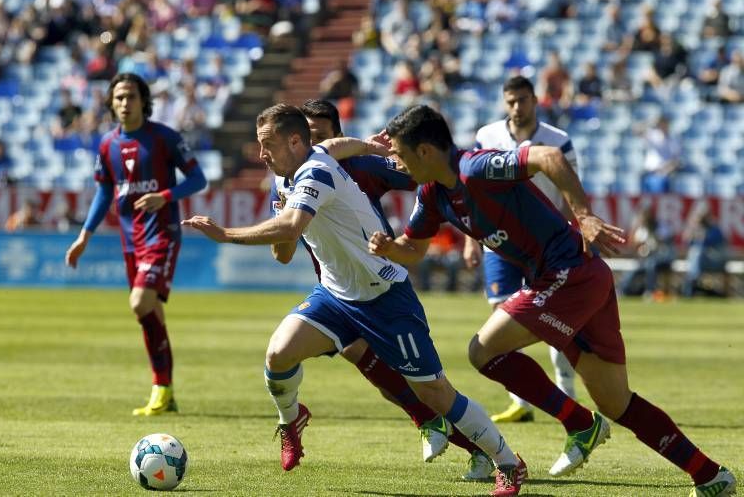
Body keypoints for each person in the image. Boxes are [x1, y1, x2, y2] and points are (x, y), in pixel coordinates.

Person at [368, 104, 736, 497]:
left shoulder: (475, 168)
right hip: (579, 280)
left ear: (425, 151)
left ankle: (578, 423)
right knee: (616, 402)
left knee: (483, 351)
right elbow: (414, 249)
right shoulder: (432, 195)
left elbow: (549, 156)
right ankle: (709, 474)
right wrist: (390, 248)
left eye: (402, 155)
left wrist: (585, 215)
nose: (398, 164)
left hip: (570, 274)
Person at [183, 104, 527, 497]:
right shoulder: (295, 168)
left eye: (268, 145)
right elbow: (334, 146)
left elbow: (293, 224)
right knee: (278, 355)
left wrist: (226, 234)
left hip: (385, 297)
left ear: (295, 141)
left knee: (435, 392)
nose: (261, 154)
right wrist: (370, 146)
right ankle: (291, 421)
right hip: (335, 295)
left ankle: (507, 462)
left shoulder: (315, 172)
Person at [292, 100, 492, 479]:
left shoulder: (361, 166)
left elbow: (430, 176)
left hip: (377, 284)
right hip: (336, 289)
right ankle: (431, 423)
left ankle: (476, 445)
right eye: (305, 137)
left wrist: (468, 231)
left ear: (338, 136)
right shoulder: (294, 177)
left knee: (422, 383)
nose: (310, 144)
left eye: (320, 136)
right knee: (358, 356)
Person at [65, 73, 207, 417]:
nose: (124, 103)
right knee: (151, 312)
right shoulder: (107, 145)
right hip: (131, 242)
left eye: (130, 96)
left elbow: (198, 179)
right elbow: (104, 191)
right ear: (111, 104)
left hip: (163, 233)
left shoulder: (164, 138)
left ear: (144, 100)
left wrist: (165, 196)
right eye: (118, 98)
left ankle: (161, 387)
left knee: (140, 302)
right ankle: (165, 391)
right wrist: (85, 234)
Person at [463, 75, 577, 423]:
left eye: (523, 100)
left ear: (535, 100)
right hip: (498, 241)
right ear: (504, 101)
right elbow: (473, 190)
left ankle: (567, 394)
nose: (516, 107)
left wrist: (573, 234)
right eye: (511, 101)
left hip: (544, 243)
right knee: (501, 318)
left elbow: (571, 191)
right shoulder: (487, 135)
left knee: (554, 318)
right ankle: (521, 402)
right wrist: (471, 239)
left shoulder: (558, 141)